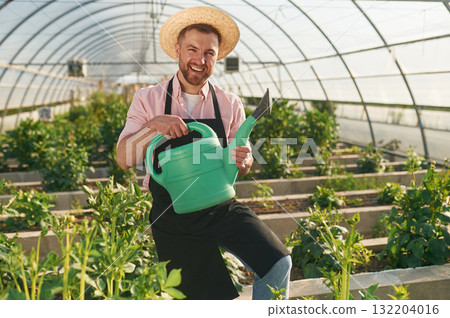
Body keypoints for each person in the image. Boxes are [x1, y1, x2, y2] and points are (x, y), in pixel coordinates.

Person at [116, 6, 291, 300]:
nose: (200, 59)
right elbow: (124, 158)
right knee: (215, 301)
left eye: (209, 53)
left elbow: (241, 160)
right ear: (177, 50)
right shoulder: (148, 98)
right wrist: (153, 126)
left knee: (278, 263)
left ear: (217, 57)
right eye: (192, 49)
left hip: (221, 205)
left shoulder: (229, 103)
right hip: (173, 217)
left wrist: (244, 160)